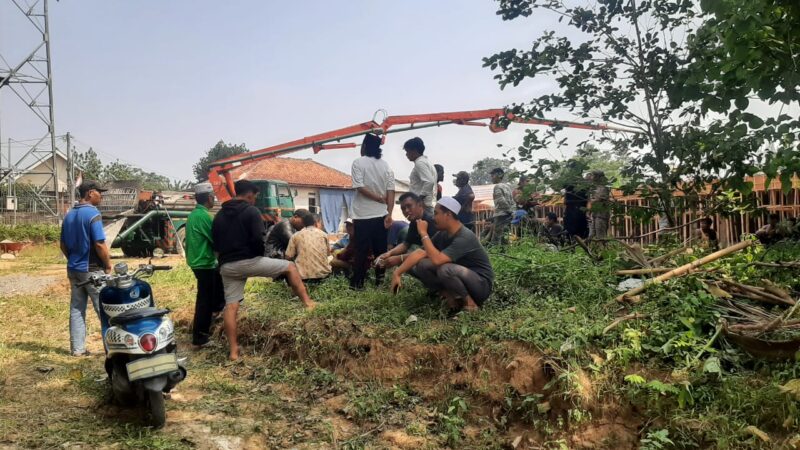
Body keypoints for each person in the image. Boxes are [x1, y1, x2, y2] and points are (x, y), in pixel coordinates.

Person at [212, 179, 316, 360]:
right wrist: (257, 256)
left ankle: (234, 351)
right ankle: (308, 303)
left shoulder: (219, 214)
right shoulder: (251, 211)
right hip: (248, 260)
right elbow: (258, 238)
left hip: (227, 266)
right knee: (290, 267)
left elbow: (216, 242)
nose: (254, 201)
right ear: (250, 195)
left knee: (231, 306)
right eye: (254, 197)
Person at [390, 197, 494, 312]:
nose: (433, 218)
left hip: (480, 285)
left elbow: (437, 260)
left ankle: (471, 305)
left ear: (448, 214)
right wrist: (397, 272)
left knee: (445, 269)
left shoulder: (465, 236)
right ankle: (449, 297)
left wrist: (423, 233)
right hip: (462, 280)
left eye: (436, 213)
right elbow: (420, 252)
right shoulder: (443, 234)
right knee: (422, 264)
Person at [60, 180, 112, 357]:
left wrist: (73, 260)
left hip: (74, 269)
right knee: (105, 311)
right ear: (90, 193)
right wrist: (108, 264)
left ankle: (78, 350)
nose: (101, 195)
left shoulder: (69, 214)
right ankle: (112, 350)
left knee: (76, 308)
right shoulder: (92, 214)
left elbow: (62, 244)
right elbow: (99, 243)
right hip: (92, 271)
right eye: (99, 192)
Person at [350, 133, 396, 289]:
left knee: (361, 251)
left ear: (363, 147)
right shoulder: (386, 166)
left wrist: (376, 198)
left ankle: (357, 284)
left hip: (362, 215)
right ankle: (380, 283)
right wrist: (389, 213)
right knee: (380, 250)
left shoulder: (358, 163)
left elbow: (359, 186)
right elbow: (391, 191)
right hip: (381, 215)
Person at [185, 182, 226, 348]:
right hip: (204, 263)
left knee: (214, 290)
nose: (214, 199)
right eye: (213, 197)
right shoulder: (205, 216)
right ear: (209, 198)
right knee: (204, 300)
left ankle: (216, 311)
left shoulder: (194, 214)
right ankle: (200, 337)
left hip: (198, 262)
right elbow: (216, 240)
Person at [376, 192, 436, 269]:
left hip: (435, 257)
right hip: (423, 252)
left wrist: (399, 258)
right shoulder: (414, 222)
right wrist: (389, 253)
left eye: (409, 206)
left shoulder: (431, 222)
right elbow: (406, 244)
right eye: (403, 208)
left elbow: (428, 251)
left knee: (416, 259)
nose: (406, 211)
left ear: (420, 204)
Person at [286, 211, 332, 282]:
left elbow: (288, 257)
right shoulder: (324, 235)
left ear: (303, 223)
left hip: (303, 277)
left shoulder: (295, 235)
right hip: (323, 276)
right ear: (315, 223)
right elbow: (328, 254)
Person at [404, 137, 437, 216]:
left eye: (407, 151)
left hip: (422, 206)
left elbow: (429, 182)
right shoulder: (426, 162)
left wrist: (418, 200)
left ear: (414, 151)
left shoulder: (420, 163)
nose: (406, 154)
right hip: (426, 205)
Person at [487, 168, 515, 245]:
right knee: (505, 237)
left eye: (493, 175)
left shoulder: (497, 187)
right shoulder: (507, 187)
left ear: (499, 175)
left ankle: (495, 254)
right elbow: (512, 202)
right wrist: (512, 211)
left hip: (500, 215)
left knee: (496, 238)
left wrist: (509, 210)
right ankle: (506, 253)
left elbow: (501, 200)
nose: (491, 177)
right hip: (508, 215)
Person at [587, 170, 611, 241]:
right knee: (592, 235)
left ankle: (603, 251)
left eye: (592, 175)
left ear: (597, 177)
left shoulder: (603, 187)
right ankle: (595, 250)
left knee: (601, 236)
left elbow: (599, 199)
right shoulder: (594, 188)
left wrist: (592, 201)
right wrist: (590, 212)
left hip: (601, 215)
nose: (591, 177)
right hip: (595, 214)